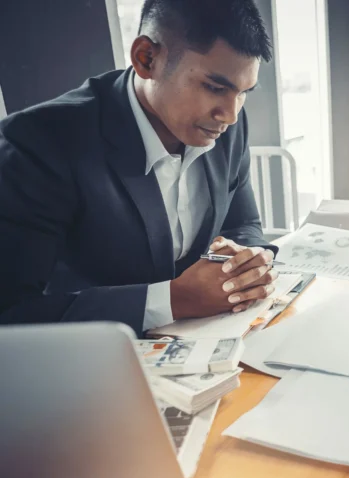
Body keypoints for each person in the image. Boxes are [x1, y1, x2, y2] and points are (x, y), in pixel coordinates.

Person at [0, 0, 279, 335]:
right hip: (87, 363)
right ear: (147, 58)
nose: (230, 114)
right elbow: (11, 310)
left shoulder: (228, 122)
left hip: (205, 345)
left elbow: (243, 224)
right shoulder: (42, 142)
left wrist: (248, 263)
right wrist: (175, 300)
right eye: (215, 87)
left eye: (243, 92)